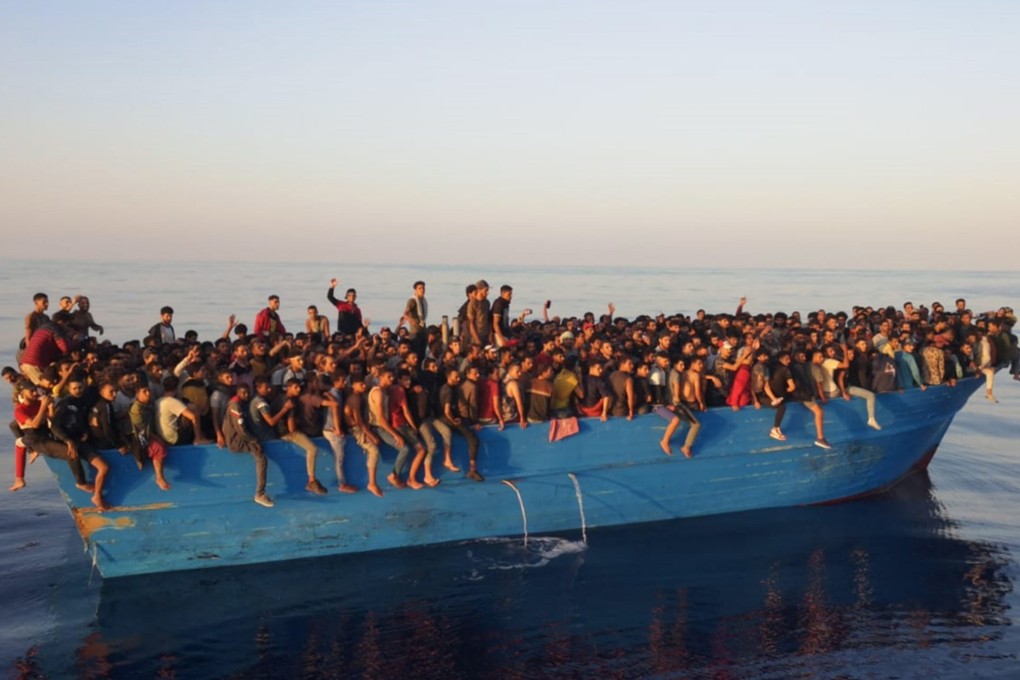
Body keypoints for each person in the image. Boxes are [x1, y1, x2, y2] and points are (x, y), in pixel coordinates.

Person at [222, 383, 274, 507]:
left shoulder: (238, 404)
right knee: (261, 458)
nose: (246, 395)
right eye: (243, 393)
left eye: (247, 392)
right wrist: (254, 440)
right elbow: (241, 430)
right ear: (238, 393)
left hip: (239, 437)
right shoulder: (235, 406)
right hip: (237, 439)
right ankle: (260, 493)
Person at [438, 369, 484, 481]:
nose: (458, 379)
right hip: (448, 419)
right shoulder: (449, 391)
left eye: (459, 377)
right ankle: (472, 470)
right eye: (456, 377)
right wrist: (454, 421)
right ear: (449, 377)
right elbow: (447, 411)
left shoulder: (450, 387)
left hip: (445, 418)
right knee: (473, 439)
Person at [343, 374, 383, 497]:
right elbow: (359, 422)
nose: (364, 386)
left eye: (364, 383)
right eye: (361, 384)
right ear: (353, 385)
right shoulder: (354, 398)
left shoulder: (359, 396)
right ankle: (372, 483)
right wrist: (371, 436)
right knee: (374, 451)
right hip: (355, 429)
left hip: (360, 426)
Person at [128, 384, 172, 490]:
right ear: (137, 394)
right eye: (144, 391)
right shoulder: (136, 408)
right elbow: (141, 428)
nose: (148, 393)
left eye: (149, 391)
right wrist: (157, 438)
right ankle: (159, 477)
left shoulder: (150, 405)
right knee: (158, 448)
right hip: (140, 436)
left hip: (150, 433)